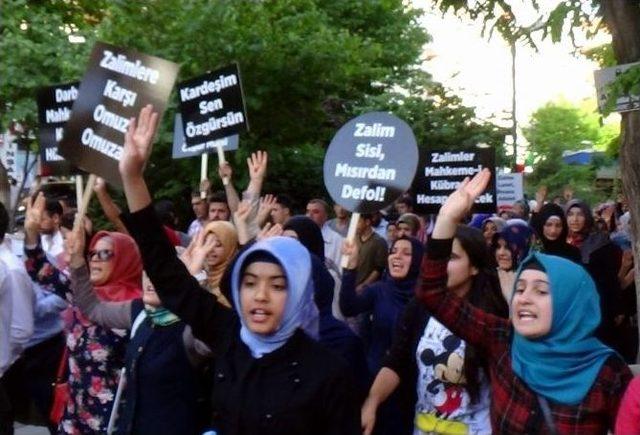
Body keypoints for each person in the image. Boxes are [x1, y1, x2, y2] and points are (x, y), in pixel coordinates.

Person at [117, 104, 360, 434]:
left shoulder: (329, 373)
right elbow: (167, 274)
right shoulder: (229, 334)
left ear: (300, 292)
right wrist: (132, 177)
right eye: (249, 282)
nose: (260, 296)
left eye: (277, 285)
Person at [416, 169, 631, 433]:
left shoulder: (609, 373)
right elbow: (432, 292)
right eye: (520, 289)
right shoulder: (503, 340)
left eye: (541, 291)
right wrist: (447, 219)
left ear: (570, 305)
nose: (524, 299)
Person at [65, 225, 211, 435]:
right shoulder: (139, 311)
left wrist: (195, 284)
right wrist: (78, 260)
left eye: (163, 275)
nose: (152, 280)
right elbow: (93, 308)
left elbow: (211, 339)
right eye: (148, 271)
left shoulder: (189, 327)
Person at [361, 226, 507, 435]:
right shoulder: (418, 308)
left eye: (452, 258)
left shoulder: (491, 318)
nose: (441, 266)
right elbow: (397, 361)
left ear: (474, 267)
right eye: (437, 258)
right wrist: (372, 401)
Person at [58, 230, 142, 433]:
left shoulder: (137, 309)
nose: (95, 259)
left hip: (113, 420)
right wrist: (32, 233)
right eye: (92, 253)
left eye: (105, 254)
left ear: (125, 259)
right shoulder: (84, 295)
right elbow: (44, 273)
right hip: (75, 415)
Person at [565, 199, 623, 348]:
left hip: (598, 307)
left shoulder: (600, 242)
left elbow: (611, 279)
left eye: (580, 214)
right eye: (570, 214)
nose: (575, 219)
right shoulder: (561, 244)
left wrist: (616, 308)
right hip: (569, 310)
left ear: (587, 217)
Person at [490, 220, 533, 302]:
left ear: (524, 248)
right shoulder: (490, 279)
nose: (501, 253)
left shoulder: (539, 280)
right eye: (498, 247)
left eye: (508, 247)